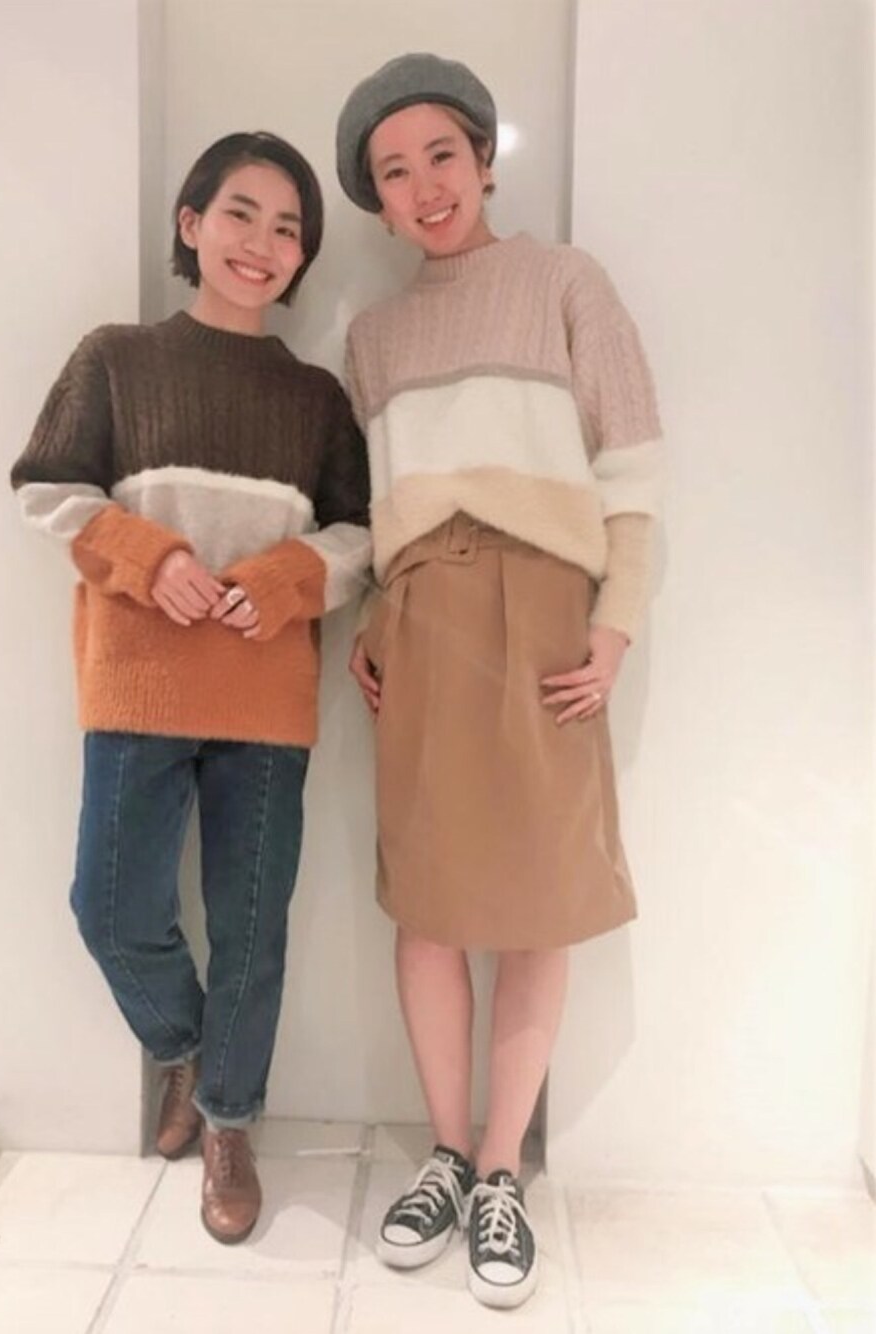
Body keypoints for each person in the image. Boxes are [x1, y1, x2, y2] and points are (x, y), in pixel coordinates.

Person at [335, 54, 662, 1309]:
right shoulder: (374, 337)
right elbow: (380, 506)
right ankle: (445, 1152)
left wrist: (613, 626)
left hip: (543, 616)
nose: (422, 186)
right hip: (421, 616)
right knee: (427, 904)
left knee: (534, 905)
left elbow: (633, 473)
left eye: (439, 155)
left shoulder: (566, 281)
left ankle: (501, 1170)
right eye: (391, 171)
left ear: (482, 156)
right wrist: (375, 615)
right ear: (376, 200)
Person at [10, 132, 370, 1245]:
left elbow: (360, 532)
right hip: (138, 679)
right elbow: (46, 486)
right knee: (110, 907)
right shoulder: (115, 359)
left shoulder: (314, 397)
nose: (263, 243)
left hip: (264, 693)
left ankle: (227, 1121)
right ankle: (186, 1048)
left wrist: (291, 576)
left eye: (289, 228)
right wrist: (146, 554)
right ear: (191, 222)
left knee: (252, 929)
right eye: (242, 214)